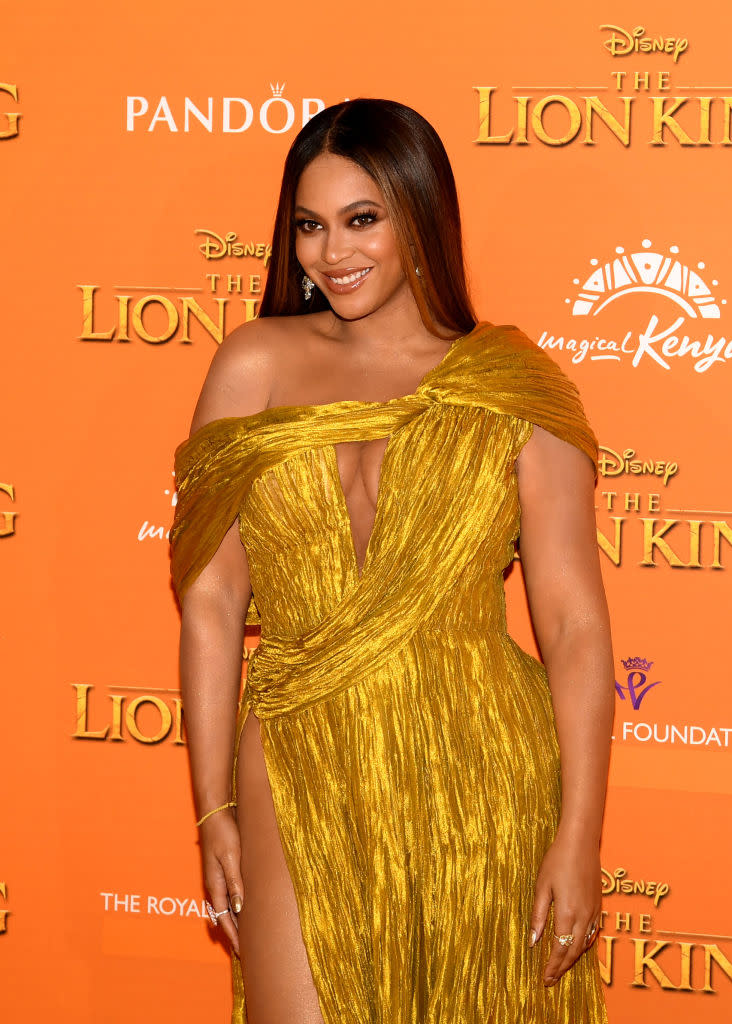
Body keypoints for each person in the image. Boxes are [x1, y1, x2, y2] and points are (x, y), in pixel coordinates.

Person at [169, 98, 614, 1024]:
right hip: (297, 747)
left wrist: (578, 837)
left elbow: (572, 626)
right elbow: (212, 598)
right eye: (310, 226)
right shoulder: (254, 362)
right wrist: (211, 805)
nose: (333, 254)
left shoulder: (510, 384)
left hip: (481, 759)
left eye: (361, 219)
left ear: (421, 215)